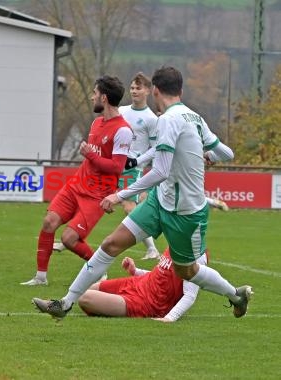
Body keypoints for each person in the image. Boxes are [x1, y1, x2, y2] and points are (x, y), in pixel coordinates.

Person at [33, 66, 252, 320]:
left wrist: (120, 195)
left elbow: (160, 170)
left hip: (186, 212)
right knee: (110, 244)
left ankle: (236, 295)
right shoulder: (195, 117)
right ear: (180, 90)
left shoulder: (168, 119)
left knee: (187, 271)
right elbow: (227, 153)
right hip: (161, 201)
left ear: (155, 91)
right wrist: (209, 155)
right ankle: (65, 303)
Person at [21, 75, 132, 286]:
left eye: (95, 93)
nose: (92, 97)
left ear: (104, 98)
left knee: (68, 239)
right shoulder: (97, 122)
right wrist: (91, 156)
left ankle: (97, 270)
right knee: (48, 222)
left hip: (97, 195)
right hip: (76, 185)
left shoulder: (123, 130)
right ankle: (40, 277)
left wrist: (90, 155)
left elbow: (116, 167)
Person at [78, 247, 207, 322]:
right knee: (86, 289)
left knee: (85, 298)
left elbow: (190, 294)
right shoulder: (176, 239)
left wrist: (170, 317)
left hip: (148, 302)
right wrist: (136, 271)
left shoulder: (196, 253)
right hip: (139, 283)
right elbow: (161, 275)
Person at [118, 72, 160, 260]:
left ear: (148, 91)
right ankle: (69, 238)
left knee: (129, 207)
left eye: (138, 88)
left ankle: (152, 248)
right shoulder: (121, 111)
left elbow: (155, 148)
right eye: (132, 87)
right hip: (114, 165)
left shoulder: (151, 119)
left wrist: (136, 161)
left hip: (131, 169)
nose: (134, 91)